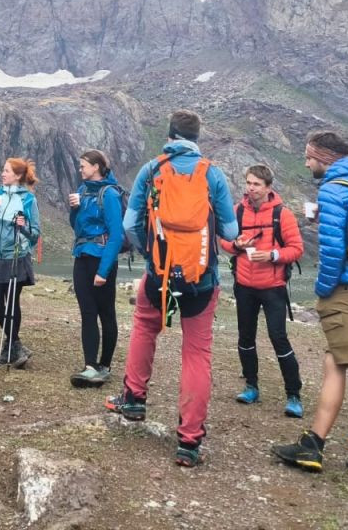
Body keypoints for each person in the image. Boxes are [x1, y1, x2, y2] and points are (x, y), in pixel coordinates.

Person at [105, 110, 237, 467]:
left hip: (159, 274)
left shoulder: (151, 170)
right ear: (196, 137)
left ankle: (133, 399)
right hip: (202, 279)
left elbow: (131, 224)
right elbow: (231, 232)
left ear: (169, 134)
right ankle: (189, 442)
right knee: (197, 353)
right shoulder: (212, 173)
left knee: (145, 327)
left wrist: (151, 253)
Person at [273, 131, 348, 480]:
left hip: (346, 292)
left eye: (309, 157)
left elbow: (331, 249)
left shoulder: (333, 187)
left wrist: (324, 290)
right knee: (335, 362)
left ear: (324, 156)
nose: (307, 163)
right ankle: (313, 443)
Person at [220, 163, 304, 417]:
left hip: (273, 287)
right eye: (248, 183)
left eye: (256, 184)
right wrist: (236, 244)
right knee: (245, 338)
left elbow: (296, 248)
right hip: (244, 285)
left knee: (278, 337)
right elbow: (223, 240)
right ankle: (251, 386)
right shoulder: (238, 212)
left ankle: (293, 395)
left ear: (268, 187)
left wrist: (273, 254)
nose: (250, 188)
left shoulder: (282, 214)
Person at [67, 149, 124, 387]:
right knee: (87, 312)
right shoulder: (82, 191)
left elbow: (116, 235)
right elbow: (75, 226)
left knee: (106, 312)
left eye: (83, 166)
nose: (80, 170)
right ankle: (90, 366)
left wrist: (104, 270)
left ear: (96, 167)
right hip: (81, 257)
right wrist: (75, 209)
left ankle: (105, 364)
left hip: (101, 259)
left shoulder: (109, 194)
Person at [0, 157, 41, 369]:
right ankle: (15, 344)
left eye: (6, 171)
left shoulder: (28, 201)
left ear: (17, 176)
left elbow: (35, 235)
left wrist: (22, 226)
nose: (2, 173)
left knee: (12, 302)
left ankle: (11, 347)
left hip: (17, 255)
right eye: (3, 170)